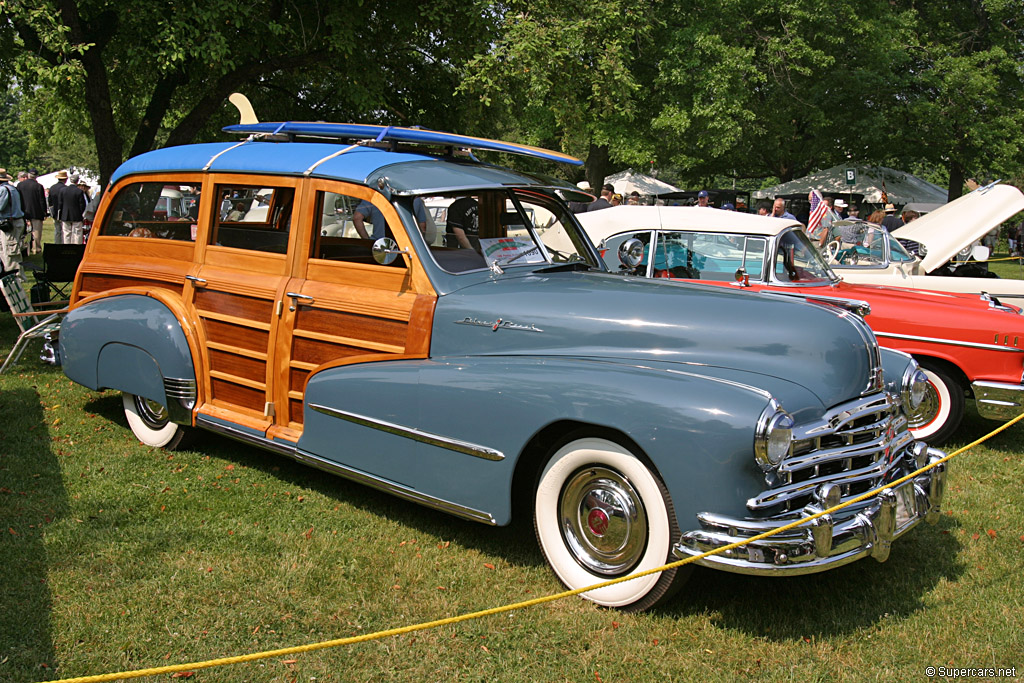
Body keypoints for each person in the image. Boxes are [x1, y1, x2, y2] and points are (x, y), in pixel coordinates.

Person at [0, 169, 26, 278]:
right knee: (7, 250)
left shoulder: (3, 190)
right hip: (13, 222)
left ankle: (16, 278)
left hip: (10, 224)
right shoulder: (11, 188)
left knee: (11, 252)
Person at [17, 168, 47, 255]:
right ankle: (36, 248)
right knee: (36, 232)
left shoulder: (20, 185)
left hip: (23, 211)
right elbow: (42, 200)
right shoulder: (38, 186)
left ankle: (25, 248)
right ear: (36, 176)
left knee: (24, 232)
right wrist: (44, 212)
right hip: (36, 212)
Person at [48, 170, 69, 244]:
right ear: (66, 179)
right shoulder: (66, 189)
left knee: (57, 229)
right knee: (64, 230)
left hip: (54, 211)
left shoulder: (52, 188)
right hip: (63, 212)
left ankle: (57, 243)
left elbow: (49, 201)